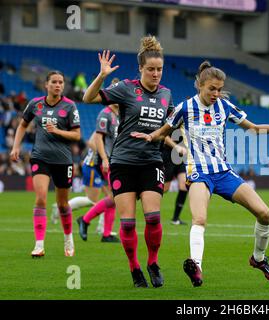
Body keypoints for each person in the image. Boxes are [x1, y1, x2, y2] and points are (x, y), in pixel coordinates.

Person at [131, 60, 269, 287]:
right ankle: (196, 266)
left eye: (219, 89)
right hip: (199, 173)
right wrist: (150, 137)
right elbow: (164, 130)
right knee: (199, 219)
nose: (216, 93)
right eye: (212, 89)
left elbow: (254, 128)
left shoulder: (225, 106)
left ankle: (258, 259)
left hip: (224, 173)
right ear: (200, 85)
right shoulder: (185, 108)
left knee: (264, 213)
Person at [82, 36, 173, 288]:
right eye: (151, 69)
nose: (156, 74)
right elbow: (88, 98)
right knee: (129, 222)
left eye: (159, 69)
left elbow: (170, 125)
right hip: (123, 161)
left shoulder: (166, 94)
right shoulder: (125, 88)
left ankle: (152, 263)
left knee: (153, 218)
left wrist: (164, 138)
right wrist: (101, 76)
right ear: (141, 69)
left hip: (152, 161)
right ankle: (134, 268)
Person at [10, 70, 81, 257]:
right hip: (40, 157)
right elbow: (23, 125)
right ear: (46, 85)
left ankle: (68, 238)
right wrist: (16, 147)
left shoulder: (70, 106)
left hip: (63, 160)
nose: (58, 85)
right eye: (54, 82)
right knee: (41, 198)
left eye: (61, 82)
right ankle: (39, 245)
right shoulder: (35, 104)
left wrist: (57, 131)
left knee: (63, 204)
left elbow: (77, 135)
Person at [77, 101, 120, 242]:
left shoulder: (120, 114)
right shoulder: (105, 114)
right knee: (113, 197)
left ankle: (106, 234)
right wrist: (104, 157)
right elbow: (96, 138)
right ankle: (85, 219)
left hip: (117, 160)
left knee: (112, 198)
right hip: (106, 160)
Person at [162, 135, 189, 225]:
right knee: (165, 188)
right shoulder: (171, 121)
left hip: (181, 157)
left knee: (184, 186)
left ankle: (175, 219)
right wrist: (176, 147)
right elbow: (164, 137)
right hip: (168, 156)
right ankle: (141, 194)